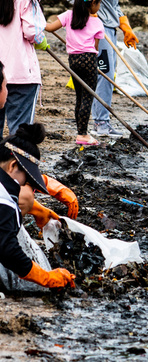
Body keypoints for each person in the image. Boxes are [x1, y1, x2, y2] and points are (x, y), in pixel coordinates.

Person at [0, 123, 76, 290]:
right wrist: (46, 278)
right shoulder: (4, 200)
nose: (24, 185)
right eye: (26, 179)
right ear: (13, 165)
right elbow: (7, 250)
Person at [46, 0, 105, 146]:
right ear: (92, 3)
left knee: (80, 96)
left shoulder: (68, 15)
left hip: (73, 61)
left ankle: (81, 132)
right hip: (89, 60)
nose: (99, 7)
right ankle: (82, 134)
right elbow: (95, 47)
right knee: (87, 97)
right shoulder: (97, 22)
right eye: (99, 4)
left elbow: (49, 28)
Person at [0, 0, 49, 135]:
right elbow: (33, 32)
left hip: (2, 73)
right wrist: (41, 39)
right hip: (21, 74)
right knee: (20, 134)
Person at [91, 0, 139, 137]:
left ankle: (100, 121)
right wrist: (89, 13)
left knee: (108, 75)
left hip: (111, 29)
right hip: (98, 28)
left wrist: (125, 26)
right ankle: (101, 123)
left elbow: (114, 6)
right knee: (105, 75)